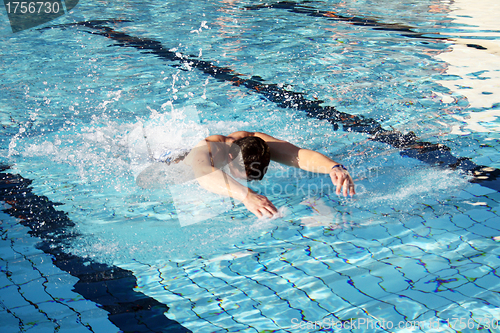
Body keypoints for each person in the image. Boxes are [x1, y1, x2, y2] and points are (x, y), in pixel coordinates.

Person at [182, 131, 355, 218]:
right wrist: (246, 195)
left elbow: (297, 155)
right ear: (230, 157)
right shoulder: (210, 148)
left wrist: (334, 167)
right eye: (245, 175)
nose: (248, 180)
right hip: (165, 164)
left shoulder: (253, 141)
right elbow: (203, 173)